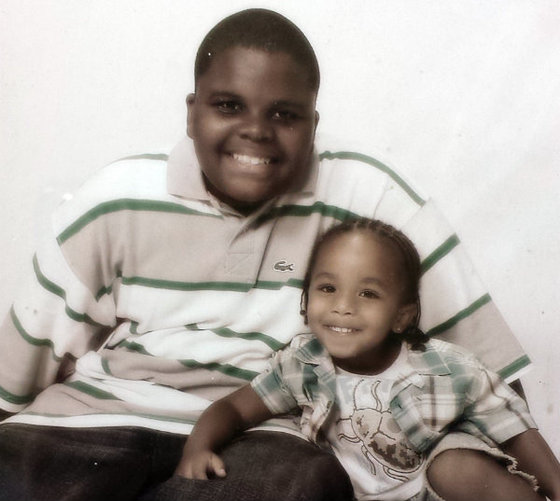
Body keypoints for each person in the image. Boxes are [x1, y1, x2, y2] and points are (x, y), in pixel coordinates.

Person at [0, 7, 541, 501]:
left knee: (293, 487)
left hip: (265, 435)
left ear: (313, 124)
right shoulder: (115, 198)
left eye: (284, 114)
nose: (256, 131)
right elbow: (24, 357)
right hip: (95, 416)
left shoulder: (371, 197)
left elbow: (485, 371)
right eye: (228, 106)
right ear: (192, 113)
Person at [176, 218, 560, 501]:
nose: (343, 306)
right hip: (359, 496)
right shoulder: (301, 365)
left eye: (368, 294)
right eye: (328, 288)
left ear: (403, 316)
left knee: (456, 467)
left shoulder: (447, 369)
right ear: (305, 302)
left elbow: (514, 427)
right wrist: (199, 446)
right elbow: (234, 408)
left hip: (442, 490)